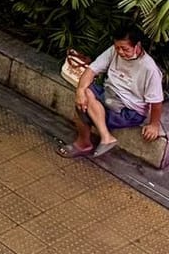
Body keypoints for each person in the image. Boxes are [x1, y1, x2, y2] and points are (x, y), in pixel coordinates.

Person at [62, 27, 165, 158]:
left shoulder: (150, 69)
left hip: (129, 109)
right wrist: (80, 91)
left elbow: (156, 100)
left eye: (125, 49)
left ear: (137, 46)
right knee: (83, 95)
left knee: (85, 108)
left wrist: (154, 124)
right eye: (117, 48)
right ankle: (105, 137)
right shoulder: (114, 50)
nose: (120, 52)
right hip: (109, 94)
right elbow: (91, 70)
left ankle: (85, 144)